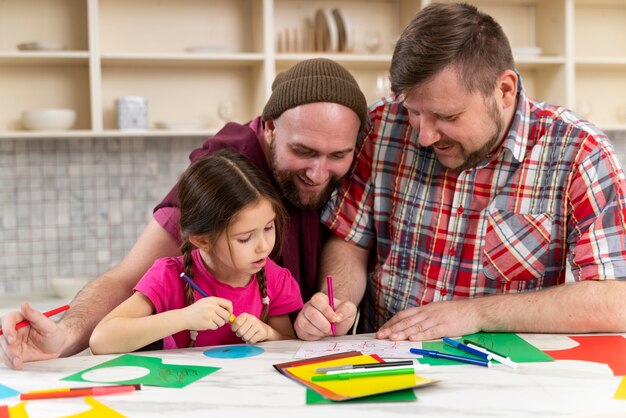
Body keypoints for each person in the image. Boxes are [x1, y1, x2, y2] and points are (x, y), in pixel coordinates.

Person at [1, 58, 367, 368]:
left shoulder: (358, 167)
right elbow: (130, 276)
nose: (318, 173)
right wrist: (62, 337)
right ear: (270, 128)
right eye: (303, 151)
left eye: (337, 156)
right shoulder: (225, 177)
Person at [295, 2, 626, 341]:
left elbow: (614, 299)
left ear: (505, 90)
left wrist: (475, 313)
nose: (423, 136)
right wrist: (338, 304)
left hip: (506, 371)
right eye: (414, 112)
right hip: (386, 360)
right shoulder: (382, 125)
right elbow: (350, 241)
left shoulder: (578, 153)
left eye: (448, 117)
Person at [90, 150, 303, 353]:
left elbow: (289, 345)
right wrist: (185, 318)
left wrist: (268, 333)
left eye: (268, 227)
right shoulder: (169, 276)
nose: (264, 246)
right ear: (202, 240)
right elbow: (101, 340)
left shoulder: (273, 277)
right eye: (245, 238)